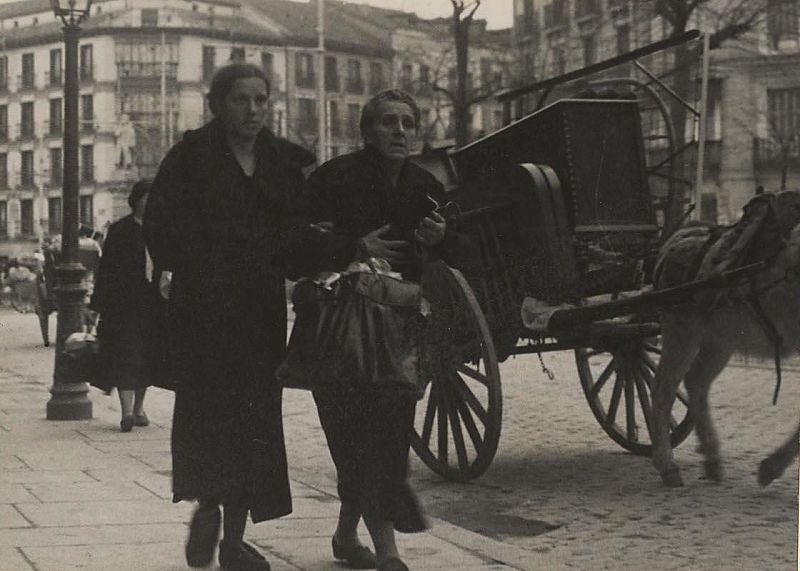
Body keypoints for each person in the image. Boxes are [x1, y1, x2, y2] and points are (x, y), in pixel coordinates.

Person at [143, 63, 317, 571]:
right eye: (241, 100)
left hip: (259, 311)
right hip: (202, 311)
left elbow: (298, 233)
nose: (253, 110)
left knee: (256, 419)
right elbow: (161, 229)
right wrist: (210, 255)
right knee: (207, 415)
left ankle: (234, 539)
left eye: (261, 100)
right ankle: (208, 509)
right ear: (218, 104)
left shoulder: (281, 162)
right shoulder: (189, 158)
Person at [303, 89, 464, 571]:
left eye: (408, 124)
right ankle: (373, 545)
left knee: (388, 434)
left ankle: (364, 542)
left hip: (397, 332)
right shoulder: (333, 179)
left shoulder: (425, 186)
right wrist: (351, 246)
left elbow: (461, 251)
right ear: (367, 132)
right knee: (351, 434)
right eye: (389, 123)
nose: (400, 132)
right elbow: (295, 241)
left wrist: (444, 238)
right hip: (339, 327)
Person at [90, 180, 160, 432]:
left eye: (153, 197)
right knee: (127, 355)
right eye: (145, 198)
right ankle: (127, 412)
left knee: (147, 357)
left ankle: (139, 408)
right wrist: (97, 304)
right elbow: (106, 268)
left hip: (152, 304)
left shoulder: (160, 229)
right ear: (135, 200)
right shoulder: (120, 230)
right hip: (125, 305)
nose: (149, 202)